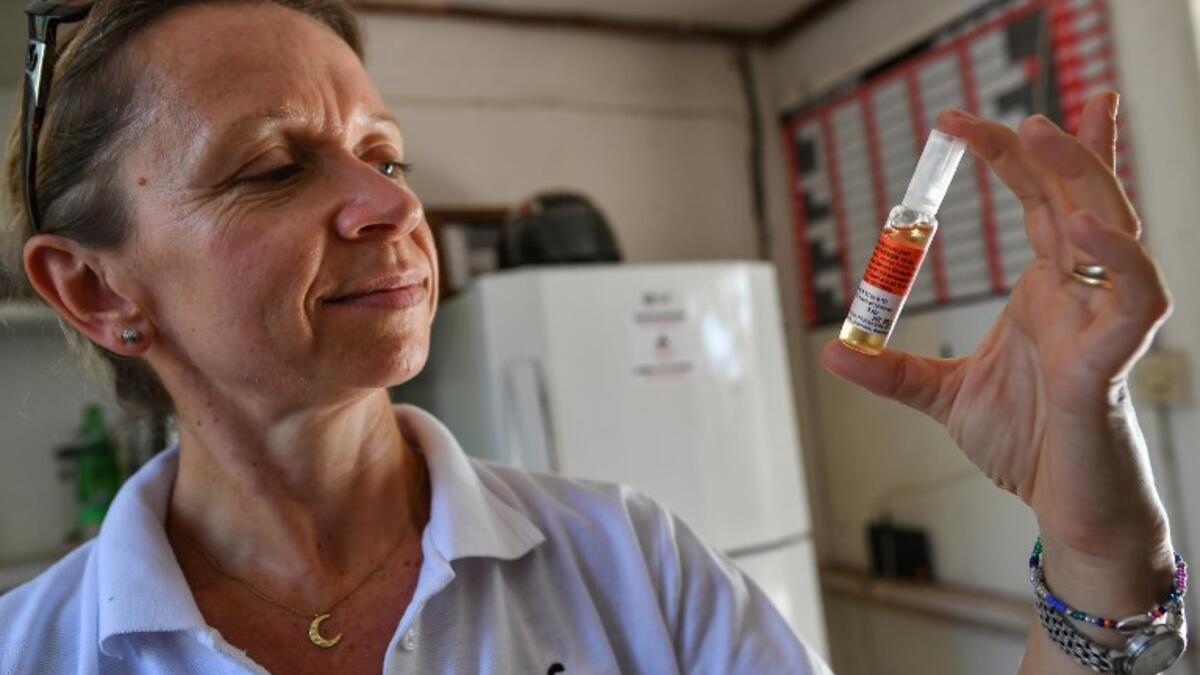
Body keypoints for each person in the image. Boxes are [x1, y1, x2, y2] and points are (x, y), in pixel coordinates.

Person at [0, 1, 1181, 674]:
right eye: (271, 167)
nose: (393, 208)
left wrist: (1092, 542)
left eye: (385, 156)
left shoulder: (629, 567)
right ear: (97, 294)